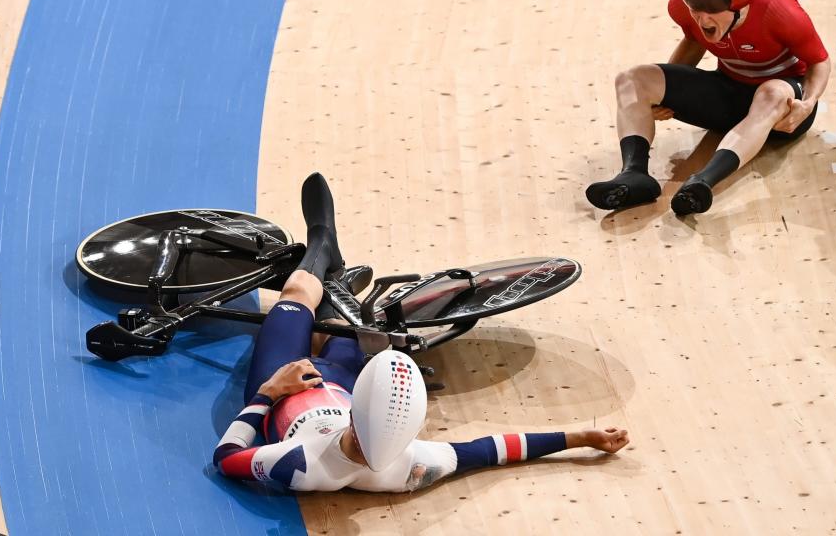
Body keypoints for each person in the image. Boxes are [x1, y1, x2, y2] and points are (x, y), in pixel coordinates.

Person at [214, 173, 630, 492]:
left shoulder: (300, 466)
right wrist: (579, 436)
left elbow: (227, 457)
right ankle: (335, 275)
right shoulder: (408, 466)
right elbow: (490, 451)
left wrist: (267, 394)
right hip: (340, 385)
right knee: (353, 322)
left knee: (298, 292)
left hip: (284, 383)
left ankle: (321, 244)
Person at [586, 0, 830, 215]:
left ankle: (702, 182)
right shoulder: (681, 10)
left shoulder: (778, 9)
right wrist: (662, 95)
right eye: (694, 4)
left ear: (738, 2)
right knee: (632, 79)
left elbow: (820, 61)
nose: (701, 17)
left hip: (784, 110)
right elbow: (693, 42)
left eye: (712, 6)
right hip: (730, 95)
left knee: (770, 91)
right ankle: (633, 174)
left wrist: (807, 103)